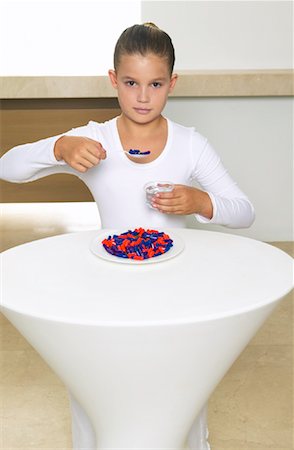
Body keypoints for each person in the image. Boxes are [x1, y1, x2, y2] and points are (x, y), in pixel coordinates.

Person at [0, 23, 255, 450]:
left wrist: (200, 201)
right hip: (107, 293)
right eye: (132, 83)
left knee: (179, 387)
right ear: (113, 80)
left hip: (176, 294)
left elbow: (244, 212)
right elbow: (7, 166)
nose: (142, 96)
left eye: (155, 84)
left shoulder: (190, 145)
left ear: (172, 83)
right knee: (99, 387)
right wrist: (59, 147)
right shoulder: (93, 138)